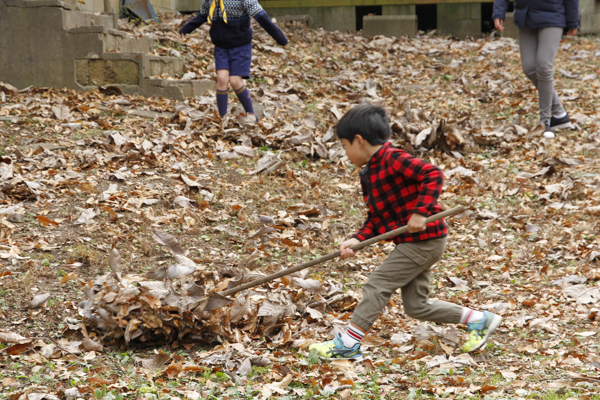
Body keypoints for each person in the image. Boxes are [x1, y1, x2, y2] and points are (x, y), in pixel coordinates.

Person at [309, 104, 502, 361]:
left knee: (377, 284)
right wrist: (357, 239)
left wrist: (421, 211)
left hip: (423, 241)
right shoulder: (370, 173)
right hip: (415, 243)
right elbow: (377, 220)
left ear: (359, 140)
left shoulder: (393, 158)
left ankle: (348, 343)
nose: (345, 153)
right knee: (417, 306)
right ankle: (479, 320)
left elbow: (432, 175)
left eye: (344, 146)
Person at [179, 0, 288, 123]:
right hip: (221, 47)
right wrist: (186, 28)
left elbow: (262, 18)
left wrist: (280, 38)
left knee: (235, 81)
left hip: (241, 46)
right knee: (222, 79)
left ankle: (251, 115)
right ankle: (223, 119)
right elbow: (203, 15)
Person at [492, 0, 580, 139]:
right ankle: (559, 114)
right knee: (529, 68)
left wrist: (573, 20)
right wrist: (498, 11)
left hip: (553, 15)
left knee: (544, 66)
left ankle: (545, 121)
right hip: (525, 16)